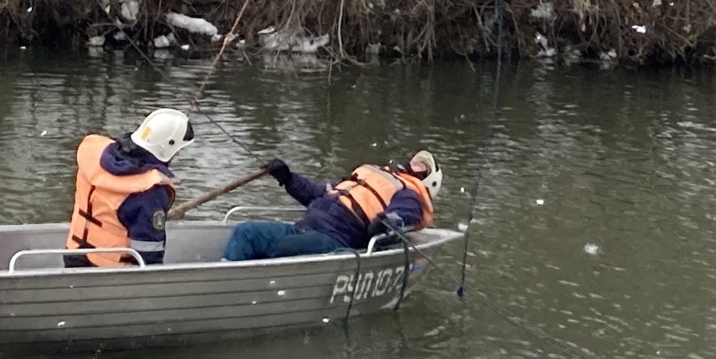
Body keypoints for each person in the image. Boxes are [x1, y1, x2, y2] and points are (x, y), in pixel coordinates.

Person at [222, 151, 440, 262]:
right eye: (417, 159)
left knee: (285, 248)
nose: (417, 162)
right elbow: (316, 193)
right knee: (245, 232)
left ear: (426, 179)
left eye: (424, 166)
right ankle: (226, 283)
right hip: (305, 226)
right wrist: (288, 178)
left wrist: (387, 222)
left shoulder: (410, 194)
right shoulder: (368, 174)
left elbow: (405, 216)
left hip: (336, 237)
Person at [65, 108, 193, 267]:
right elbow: (148, 253)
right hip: (112, 273)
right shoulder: (151, 192)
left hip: (74, 254)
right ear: (168, 149)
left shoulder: (94, 153)